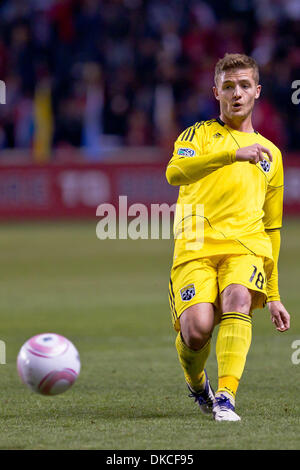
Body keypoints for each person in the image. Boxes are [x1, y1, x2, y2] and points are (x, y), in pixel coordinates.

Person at [166, 53, 290, 422]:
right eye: (229, 86)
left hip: (246, 247)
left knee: (237, 297)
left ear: (257, 91)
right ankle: (196, 382)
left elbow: (272, 227)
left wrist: (274, 295)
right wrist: (232, 155)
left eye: (245, 85)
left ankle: (226, 397)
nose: (237, 93)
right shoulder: (197, 135)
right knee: (197, 330)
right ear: (216, 91)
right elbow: (175, 173)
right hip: (195, 249)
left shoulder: (272, 155)